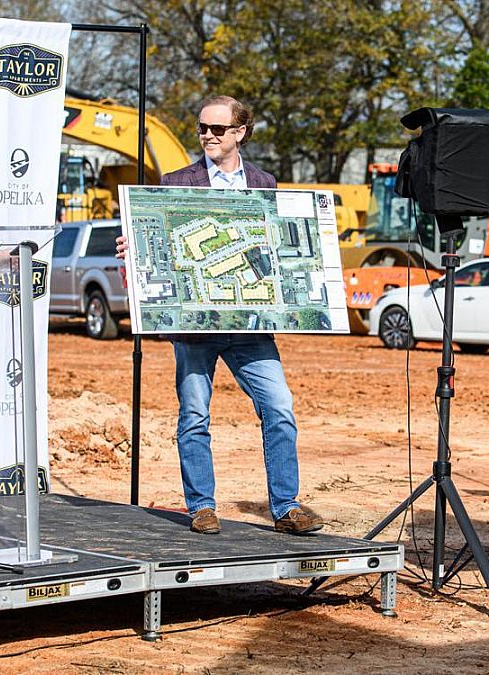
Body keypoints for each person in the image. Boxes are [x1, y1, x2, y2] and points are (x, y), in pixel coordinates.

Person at [116, 95, 323, 536]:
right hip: (195, 327)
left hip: (250, 326)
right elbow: (157, 245)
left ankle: (286, 505)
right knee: (194, 415)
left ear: (240, 132)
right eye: (202, 129)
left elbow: (276, 250)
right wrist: (134, 250)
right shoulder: (177, 181)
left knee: (280, 409)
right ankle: (201, 506)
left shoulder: (263, 181)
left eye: (217, 129)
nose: (207, 136)